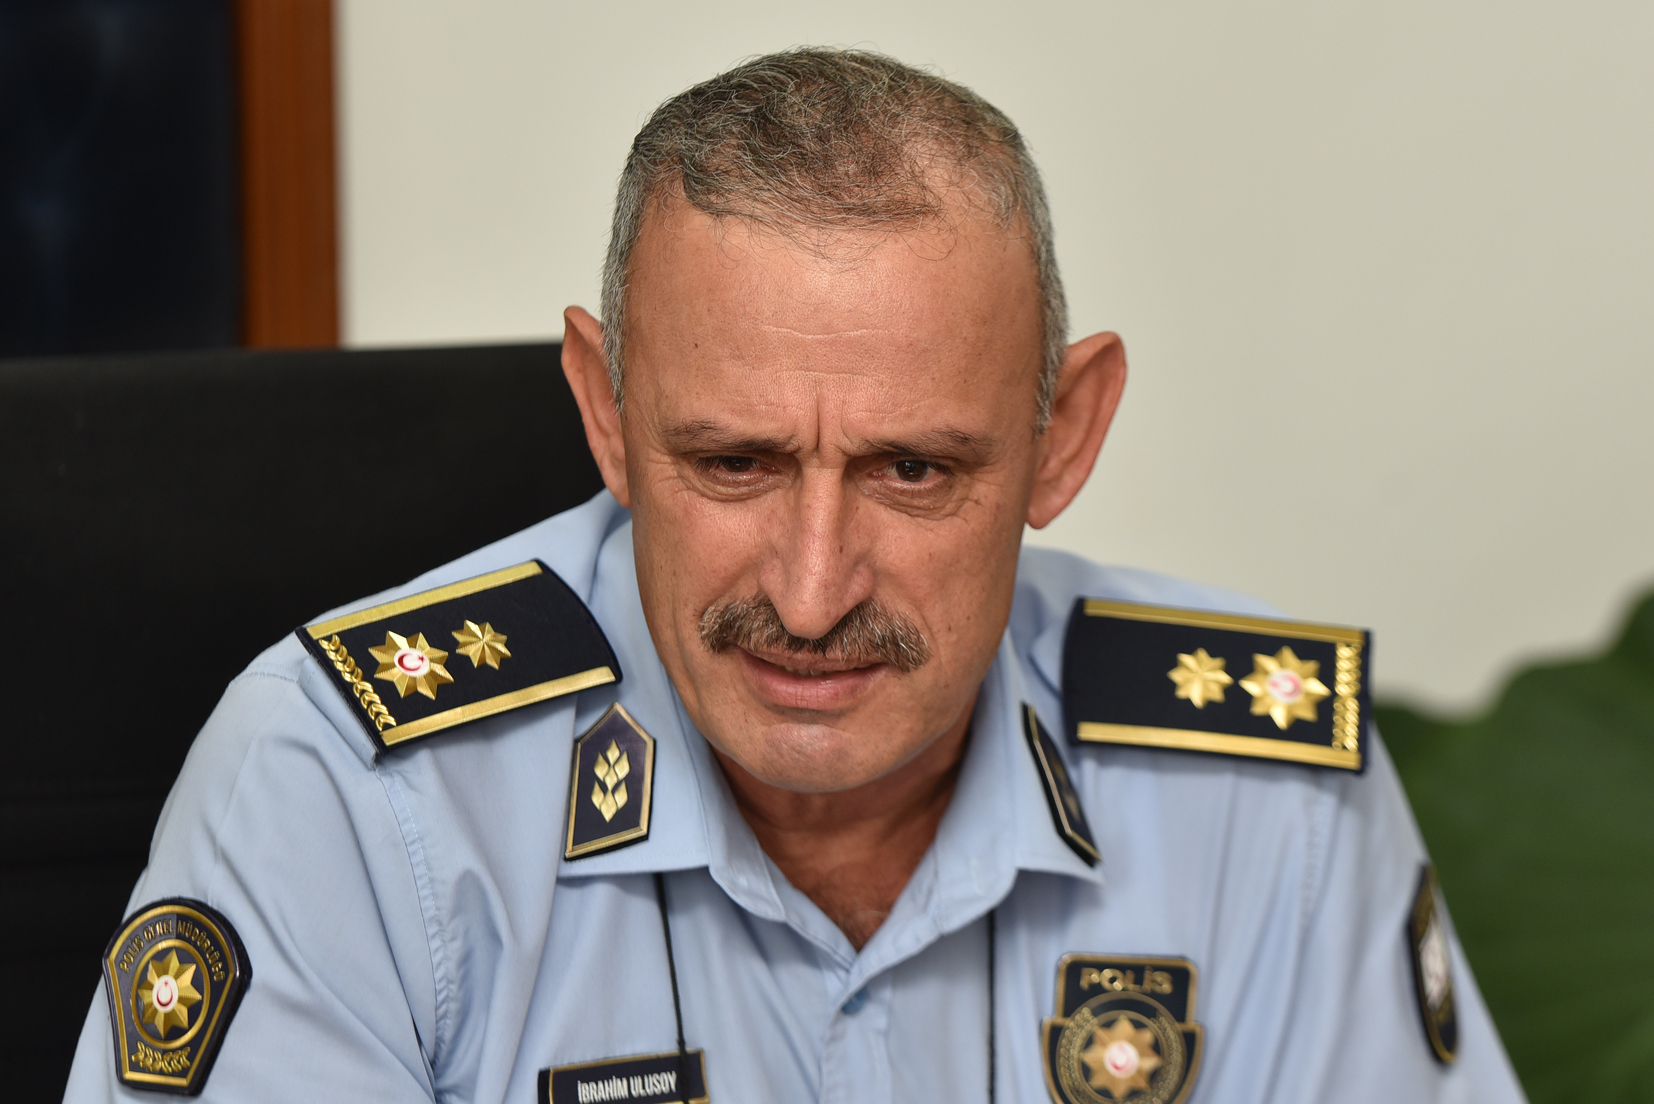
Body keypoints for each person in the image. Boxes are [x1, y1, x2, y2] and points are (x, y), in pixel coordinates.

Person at [65, 48, 1525, 1104]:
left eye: (914, 471)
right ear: (604, 414)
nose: (814, 594)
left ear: (1062, 437)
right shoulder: (345, 792)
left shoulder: (1262, 794)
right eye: (734, 463)